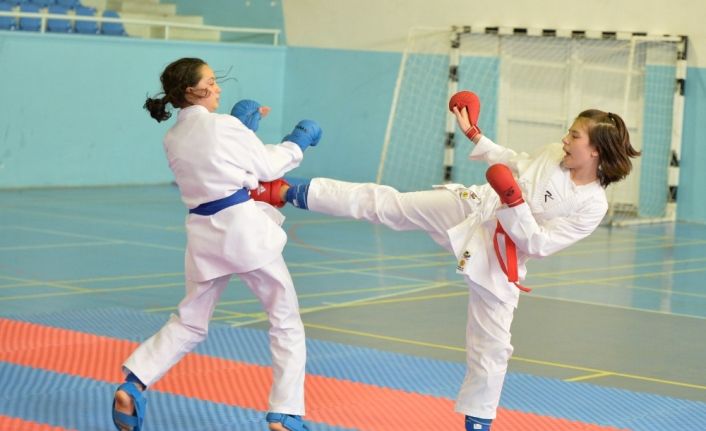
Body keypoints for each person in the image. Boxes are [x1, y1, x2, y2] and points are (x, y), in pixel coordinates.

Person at [252, 91, 640, 430]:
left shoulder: (593, 205)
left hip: (502, 253)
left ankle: (478, 424)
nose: (565, 139)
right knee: (391, 204)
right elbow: (516, 162)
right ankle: (286, 192)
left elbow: (538, 243)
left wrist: (515, 203)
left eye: (574, 135)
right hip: (475, 207)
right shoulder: (555, 153)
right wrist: (476, 135)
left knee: (492, 344)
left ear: (595, 150)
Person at [111, 57, 321, 431]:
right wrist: (297, 141)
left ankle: (134, 384)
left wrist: (243, 128)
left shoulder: (173, 137)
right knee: (285, 319)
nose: (218, 87)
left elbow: (221, 164)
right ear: (193, 90)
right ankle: (285, 413)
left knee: (190, 321)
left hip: (203, 236)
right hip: (243, 232)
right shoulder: (222, 126)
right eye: (211, 81)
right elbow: (267, 166)